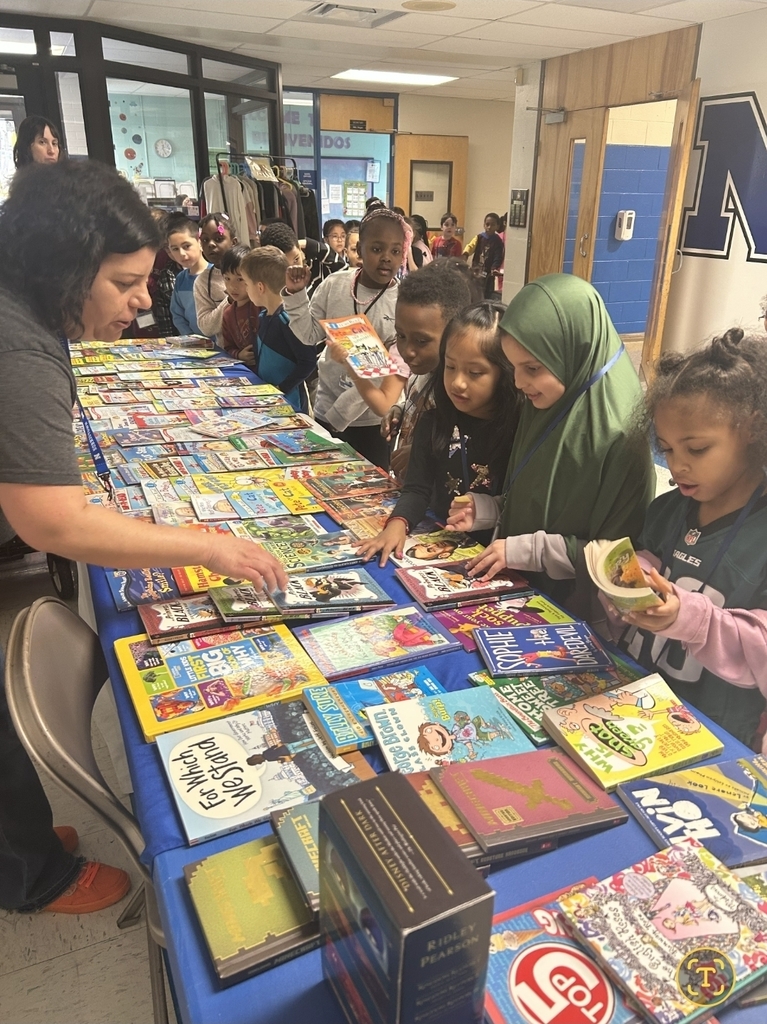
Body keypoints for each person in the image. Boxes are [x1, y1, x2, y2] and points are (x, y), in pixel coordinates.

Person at [0, 160, 287, 916]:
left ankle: (20, 846)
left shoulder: (19, 302)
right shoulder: (20, 344)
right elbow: (51, 521)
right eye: (125, 281)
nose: (143, 298)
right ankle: (31, 876)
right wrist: (207, 546)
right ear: (64, 267)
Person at [449, 274, 654, 614]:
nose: (518, 382)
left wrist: (523, 551)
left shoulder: (616, 435)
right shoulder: (552, 400)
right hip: (526, 590)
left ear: (575, 352)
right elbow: (544, 502)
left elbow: (620, 561)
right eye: (513, 367)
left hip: (581, 612)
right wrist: (489, 510)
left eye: (531, 368)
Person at [605, 328, 767, 749]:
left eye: (696, 449)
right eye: (667, 449)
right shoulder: (668, 509)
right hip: (638, 705)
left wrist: (688, 618)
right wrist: (636, 573)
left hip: (715, 734)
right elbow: (656, 558)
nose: (678, 467)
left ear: (753, 428)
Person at [359, 302, 519, 566]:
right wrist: (397, 523)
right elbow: (417, 489)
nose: (458, 382)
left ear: (506, 373)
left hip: (497, 556)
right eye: (450, 367)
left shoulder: (518, 429)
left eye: (475, 372)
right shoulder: (434, 422)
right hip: (445, 543)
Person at [282, 207, 412, 469]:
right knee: (321, 478)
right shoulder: (335, 284)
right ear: (359, 249)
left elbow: (384, 377)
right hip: (326, 410)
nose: (386, 258)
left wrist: (339, 415)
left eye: (395, 251)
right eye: (377, 249)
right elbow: (309, 335)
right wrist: (296, 295)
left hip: (373, 422)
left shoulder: (404, 303)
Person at [381, 260, 472, 482]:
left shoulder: (460, 388)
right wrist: (400, 410)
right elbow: (418, 400)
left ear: (454, 334)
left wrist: (421, 451)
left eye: (421, 341)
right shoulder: (422, 370)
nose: (408, 351)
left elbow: (471, 438)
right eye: (401, 336)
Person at [240, 246, 316, 412]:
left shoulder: (287, 319)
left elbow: (308, 361)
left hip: (290, 402)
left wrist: (282, 388)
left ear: (260, 287)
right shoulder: (264, 316)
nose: (245, 289)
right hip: (270, 399)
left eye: (246, 284)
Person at [261, 220, 345, 296]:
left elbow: (343, 270)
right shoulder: (273, 287)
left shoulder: (316, 271)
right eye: (285, 266)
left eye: (296, 260)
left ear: (300, 249)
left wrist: (310, 244)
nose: (294, 268)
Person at [193, 213, 238, 343]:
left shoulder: (251, 270)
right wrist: (229, 299)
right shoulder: (203, 282)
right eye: (205, 240)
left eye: (218, 239)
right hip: (228, 353)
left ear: (233, 242)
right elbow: (206, 327)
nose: (211, 245)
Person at [168, 215, 209, 337]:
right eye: (175, 249)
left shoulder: (217, 275)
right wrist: (190, 337)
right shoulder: (180, 279)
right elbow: (177, 314)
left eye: (186, 246)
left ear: (199, 242)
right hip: (194, 345)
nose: (182, 254)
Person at [220, 244, 262, 363]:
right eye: (227, 279)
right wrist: (239, 355)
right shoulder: (228, 314)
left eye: (239, 279)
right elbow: (228, 348)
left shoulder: (261, 305)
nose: (232, 286)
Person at [463, 213, 505, 299]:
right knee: (474, 290)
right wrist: (466, 253)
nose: (489, 227)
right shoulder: (479, 237)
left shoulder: (497, 241)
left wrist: (494, 267)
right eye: (487, 224)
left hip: (489, 273)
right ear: (484, 225)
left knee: (487, 293)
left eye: (493, 225)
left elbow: (498, 256)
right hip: (476, 270)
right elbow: (471, 246)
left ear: (497, 226)